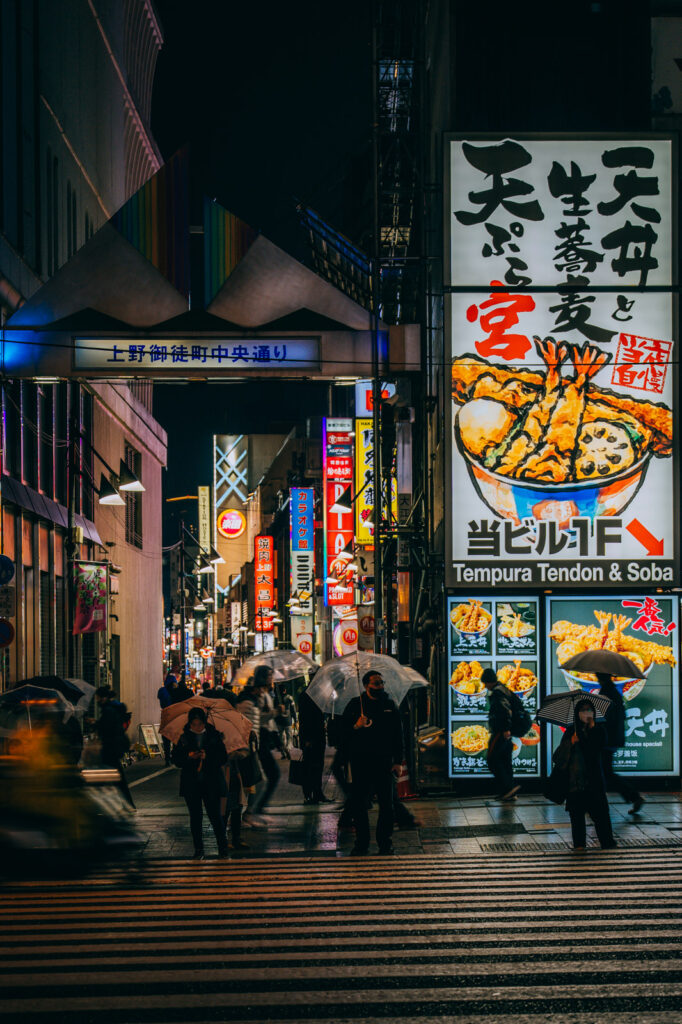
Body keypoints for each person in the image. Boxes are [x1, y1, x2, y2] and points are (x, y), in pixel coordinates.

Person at [339, 670, 404, 856]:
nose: (380, 686)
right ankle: (362, 844)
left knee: (387, 805)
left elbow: (398, 736)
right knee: (360, 806)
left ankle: (385, 843)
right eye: (376, 683)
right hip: (360, 763)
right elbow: (341, 735)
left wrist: (398, 761)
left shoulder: (390, 705)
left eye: (382, 682)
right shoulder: (354, 706)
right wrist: (356, 726)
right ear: (366, 685)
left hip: (384, 763)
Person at [553, 697, 616, 850]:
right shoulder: (570, 731)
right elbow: (557, 757)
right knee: (576, 816)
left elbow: (595, 750)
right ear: (577, 713)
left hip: (593, 781)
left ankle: (607, 843)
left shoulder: (599, 730)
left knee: (600, 815)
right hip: (575, 782)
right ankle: (579, 845)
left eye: (589, 710)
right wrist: (571, 743)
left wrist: (591, 730)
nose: (586, 713)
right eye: (583, 710)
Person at [172, 707, 229, 860]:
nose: (197, 727)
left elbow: (223, 757)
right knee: (195, 817)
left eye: (200, 724)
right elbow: (176, 760)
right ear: (189, 723)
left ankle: (222, 848)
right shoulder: (183, 738)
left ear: (204, 722)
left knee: (215, 816)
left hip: (211, 782)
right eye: (194, 724)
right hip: (192, 783)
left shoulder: (214, 736)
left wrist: (207, 756)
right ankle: (198, 849)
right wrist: (188, 756)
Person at [597, 672, 644, 814]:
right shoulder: (614, 692)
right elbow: (621, 715)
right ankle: (633, 797)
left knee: (605, 772)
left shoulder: (607, 693)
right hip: (612, 739)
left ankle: (633, 797)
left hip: (606, 740)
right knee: (604, 772)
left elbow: (604, 718)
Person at [482, 668, 519, 801]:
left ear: (488, 681)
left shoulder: (498, 693)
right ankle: (509, 792)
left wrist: (504, 728)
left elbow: (503, 710)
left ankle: (508, 788)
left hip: (500, 731)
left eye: (485, 683)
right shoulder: (503, 689)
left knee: (492, 759)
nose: (484, 686)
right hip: (506, 732)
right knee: (505, 760)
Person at [95, 686, 134, 806]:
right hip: (114, 747)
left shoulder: (109, 710)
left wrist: (96, 725)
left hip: (110, 747)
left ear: (104, 698)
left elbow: (107, 728)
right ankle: (126, 803)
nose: (96, 700)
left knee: (112, 778)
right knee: (116, 777)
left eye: (98, 697)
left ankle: (124, 804)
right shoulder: (112, 708)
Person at [298, 687, 329, 804]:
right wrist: (306, 738)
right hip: (310, 738)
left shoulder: (320, 694)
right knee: (309, 766)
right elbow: (304, 718)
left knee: (319, 765)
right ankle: (308, 795)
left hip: (319, 735)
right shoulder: (306, 695)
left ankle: (318, 792)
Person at [158, 672, 177, 765]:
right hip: (174, 715)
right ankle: (174, 757)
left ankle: (167, 758)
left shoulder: (162, 690)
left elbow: (160, 698)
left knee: (166, 738)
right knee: (175, 736)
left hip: (165, 715)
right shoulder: (176, 691)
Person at [276, 685, 297, 760]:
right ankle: (288, 749)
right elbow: (293, 709)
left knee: (281, 736)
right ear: (285, 690)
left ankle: (283, 752)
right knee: (289, 736)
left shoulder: (276, 698)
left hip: (279, 720)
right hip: (287, 720)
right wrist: (295, 718)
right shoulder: (289, 698)